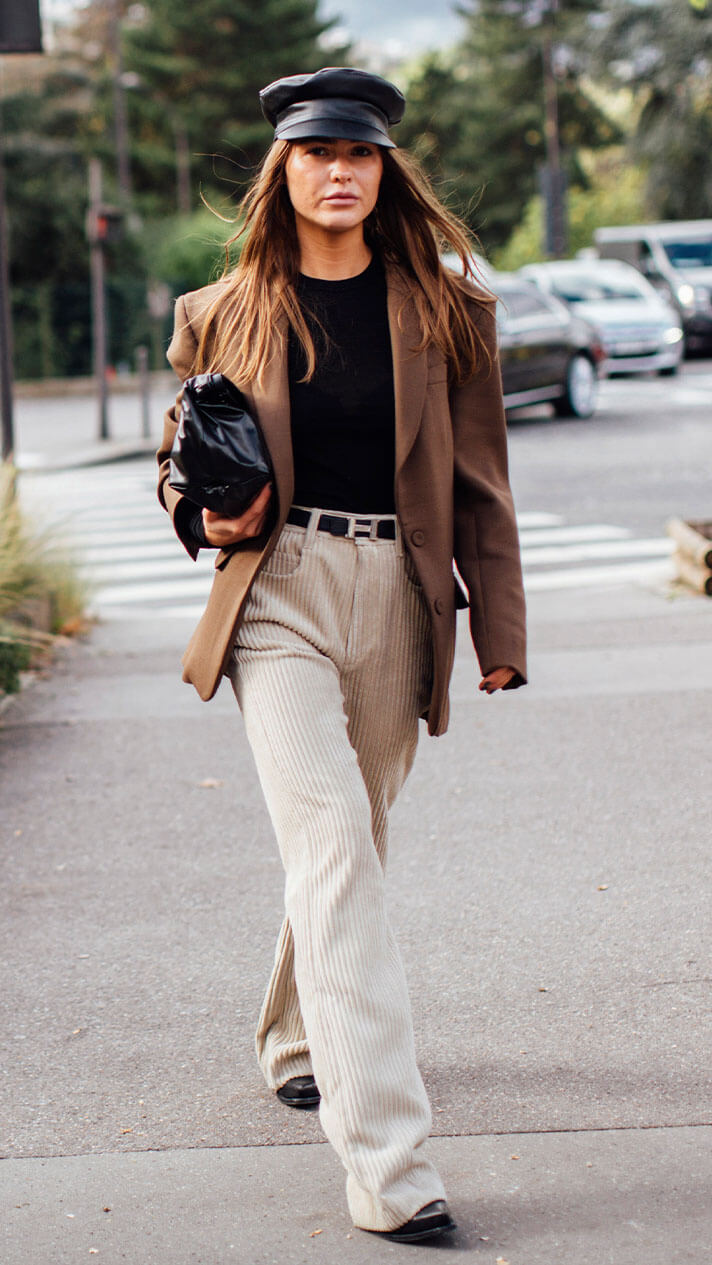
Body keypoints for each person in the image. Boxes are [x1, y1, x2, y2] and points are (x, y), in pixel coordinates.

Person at [156, 66, 527, 1243]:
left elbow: (483, 487)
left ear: (383, 173)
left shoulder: (448, 312)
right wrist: (198, 512)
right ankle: (389, 1165)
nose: (336, 172)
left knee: (348, 845)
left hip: (400, 596)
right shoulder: (224, 307)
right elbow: (180, 459)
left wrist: (500, 633)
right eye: (315, 155)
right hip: (277, 595)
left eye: (357, 155)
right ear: (285, 171)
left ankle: (292, 1031)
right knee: (331, 844)